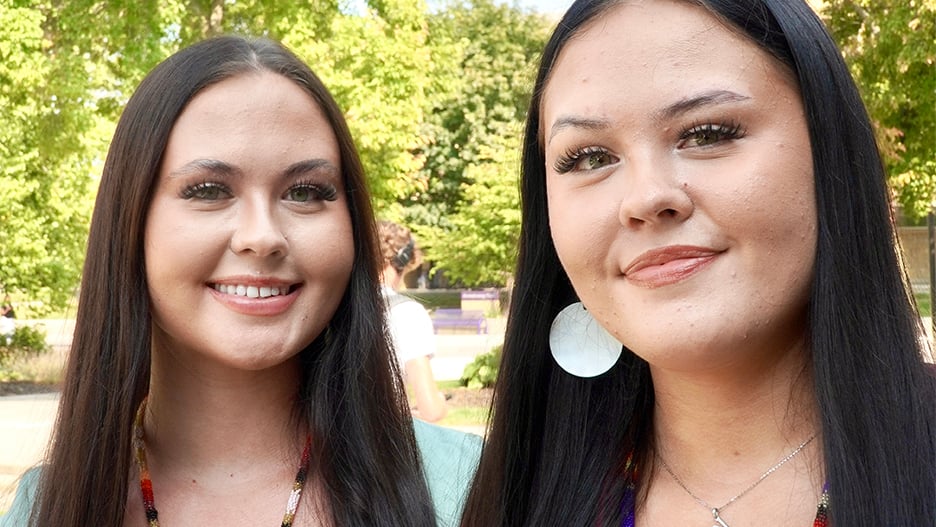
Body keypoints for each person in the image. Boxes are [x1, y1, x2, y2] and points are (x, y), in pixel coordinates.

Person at [461, 1, 936, 526]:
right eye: (591, 158)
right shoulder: (519, 493)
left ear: (830, 152)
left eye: (707, 133)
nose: (645, 198)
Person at [1, 36, 480, 527]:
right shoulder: (45, 509)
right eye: (209, 190)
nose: (262, 236)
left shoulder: (473, 487)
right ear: (130, 224)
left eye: (306, 192)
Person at [378, 220, 448, 422]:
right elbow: (430, 410)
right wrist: (440, 403)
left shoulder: (335, 305)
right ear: (400, 262)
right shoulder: (407, 312)